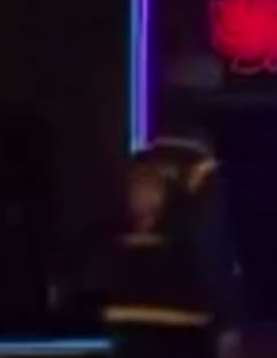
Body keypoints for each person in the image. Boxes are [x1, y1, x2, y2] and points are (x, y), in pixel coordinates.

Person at [103, 118, 242, 358]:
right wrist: (226, 317)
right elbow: (209, 247)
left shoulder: (136, 165)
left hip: (126, 311)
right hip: (185, 314)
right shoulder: (201, 171)